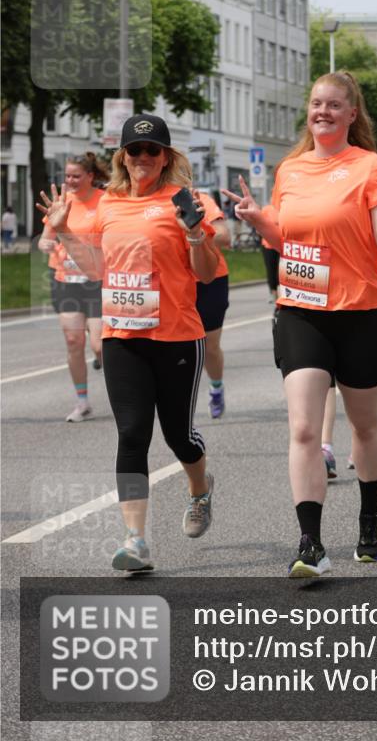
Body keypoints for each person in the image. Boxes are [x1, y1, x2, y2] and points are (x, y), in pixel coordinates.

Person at [223, 71, 377, 577]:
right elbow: (289, 239)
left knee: (365, 425)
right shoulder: (289, 170)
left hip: (364, 313)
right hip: (301, 310)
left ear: (353, 114)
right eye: (316, 104)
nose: (323, 112)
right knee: (305, 428)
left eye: (334, 105)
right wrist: (258, 220)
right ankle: (310, 544)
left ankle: (369, 519)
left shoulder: (370, 168)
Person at [37, 114, 219, 573]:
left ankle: (200, 489)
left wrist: (195, 232)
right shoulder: (110, 206)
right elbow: (97, 268)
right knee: (132, 434)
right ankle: (136, 539)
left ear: (166, 157)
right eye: (134, 151)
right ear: (122, 156)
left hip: (176, 335)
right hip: (123, 336)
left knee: (179, 436)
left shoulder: (182, 201)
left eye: (151, 151)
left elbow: (206, 270)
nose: (142, 158)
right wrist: (63, 230)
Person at [37, 154, 108, 421]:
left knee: (99, 345)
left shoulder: (104, 201)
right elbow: (45, 239)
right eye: (67, 176)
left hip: (96, 280)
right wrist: (46, 245)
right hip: (66, 281)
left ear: (90, 176)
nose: (70, 181)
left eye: (76, 176)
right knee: (73, 340)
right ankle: (82, 402)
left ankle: (116, 381)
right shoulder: (61, 203)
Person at [195, 191, 231, 418]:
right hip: (173, 281)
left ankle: (216, 386)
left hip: (210, 279)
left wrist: (191, 231)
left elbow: (224, 236)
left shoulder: (200, 199)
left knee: (209, 346)